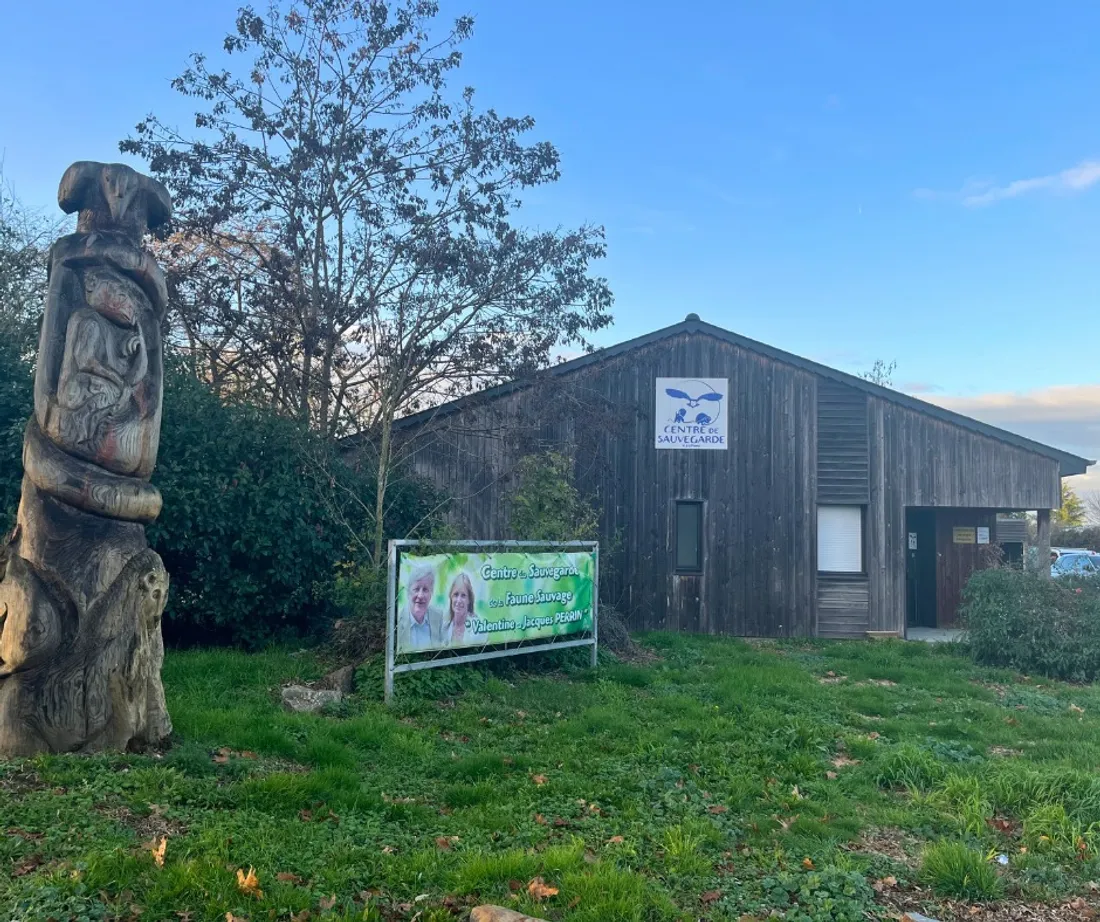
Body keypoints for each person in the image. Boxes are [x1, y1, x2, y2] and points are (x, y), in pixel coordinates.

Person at [397, 563, 442, 652]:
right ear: (408, 592)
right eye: (416, 589)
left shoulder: (439, 617)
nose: (420, 596)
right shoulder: (397, 620)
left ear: (431, 593)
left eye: (425, 589)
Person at [444, 572, 476, 646]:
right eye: (455, 594)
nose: (458, 600)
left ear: (469, 600)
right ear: (451, 597)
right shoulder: (444, 628)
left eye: (463, 595)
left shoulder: (477, 628)